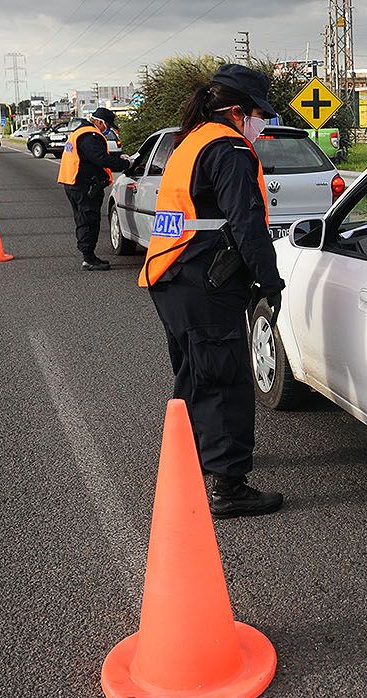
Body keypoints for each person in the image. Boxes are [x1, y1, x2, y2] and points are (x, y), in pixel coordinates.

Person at [138, 64, 285, 519]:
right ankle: (228, 485)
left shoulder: (191, 140)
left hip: (170, 273)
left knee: (195, 373)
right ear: (239, 111)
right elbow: (247, 222)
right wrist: (269, 279)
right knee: (225, 379)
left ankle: (195, 455)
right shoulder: (229, 149)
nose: (263, 124)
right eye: (261, 114)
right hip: (207, 280)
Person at [57, 107, 131, 271]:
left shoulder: (80, 131)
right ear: (99, 122)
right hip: (84, 185)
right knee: (88, 220)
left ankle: (88, 254)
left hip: (74, 183)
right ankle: (88, 258)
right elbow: (100, 158)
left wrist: (118, 157)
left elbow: (92, 156)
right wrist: (126, 164)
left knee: (83, 218)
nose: (108, 129)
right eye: (107, 125)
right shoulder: (90, 135)